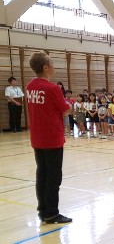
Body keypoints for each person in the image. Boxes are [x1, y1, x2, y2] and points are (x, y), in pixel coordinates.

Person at [26, 52, 72, 224]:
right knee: (53, 177)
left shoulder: (30, 86)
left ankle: (42, 210)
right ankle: (52, 213)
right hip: (52, 138)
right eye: (51, 63)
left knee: (42, 174)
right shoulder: (53, 88)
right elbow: (65, 109)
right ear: (45, 67)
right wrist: (69, 105)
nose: (53, 66)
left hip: (37, 137)